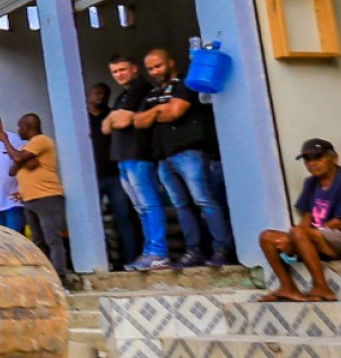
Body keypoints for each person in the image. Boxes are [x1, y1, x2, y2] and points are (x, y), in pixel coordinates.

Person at [135, 46, 233, 268]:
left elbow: (174, 112)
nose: (154, 71)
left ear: (170, 63)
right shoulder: (151, 94)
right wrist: (157, 112)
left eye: (158, 66)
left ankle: (221, 248)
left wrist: (153, 114)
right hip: (163, 157)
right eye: (150, 68)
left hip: (189, 153)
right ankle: (194, 251)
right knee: (181, 205)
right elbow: (139, 122)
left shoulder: (186, 83)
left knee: (204, 201)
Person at [259, 138, 341, 302]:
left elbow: (340, 223)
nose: (312, 163)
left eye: (318, 157)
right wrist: (293, 237)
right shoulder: (310, 183)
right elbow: (308, 217)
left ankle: (322, 288)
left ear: (333, 158)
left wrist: (297, 238)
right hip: (322, 240)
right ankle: (288, 287)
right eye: (308, 159)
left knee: (298, 233)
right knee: (267, 237)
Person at [103, 56, 171, 272]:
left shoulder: (141, 88)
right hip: (123, 157)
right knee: (141, 208)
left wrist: (117, 118)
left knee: (149, 204)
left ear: (134, 69)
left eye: (123, 69)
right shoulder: (123, 95)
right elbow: (106, 126)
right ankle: (149, 251)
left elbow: (121, 121)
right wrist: (115, 117)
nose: (119, 75)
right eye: (115, 72)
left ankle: (159, 252)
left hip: (139, 155)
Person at [86, 81, 141, 268]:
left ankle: (130, 259)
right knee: (94, 220)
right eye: (97, 92)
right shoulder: (81, 118)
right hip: (92, 177)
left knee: (124, 217)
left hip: (115, 175)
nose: (100, 96)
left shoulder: (112, 116)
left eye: (104, 93)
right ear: (89, 95)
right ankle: (102, 262)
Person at [8, 113, 69, 280]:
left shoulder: (41, 141)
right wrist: (24, 161)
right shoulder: (28, 148)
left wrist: (4, 141)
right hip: (29, 200)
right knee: (38, 242)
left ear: (29, 127)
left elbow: (17, 159)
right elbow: (12, 170)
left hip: (47, 197)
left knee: (52, 239)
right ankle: (44, 277)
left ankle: (60, 278)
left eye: (20, 127)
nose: (19, 130)